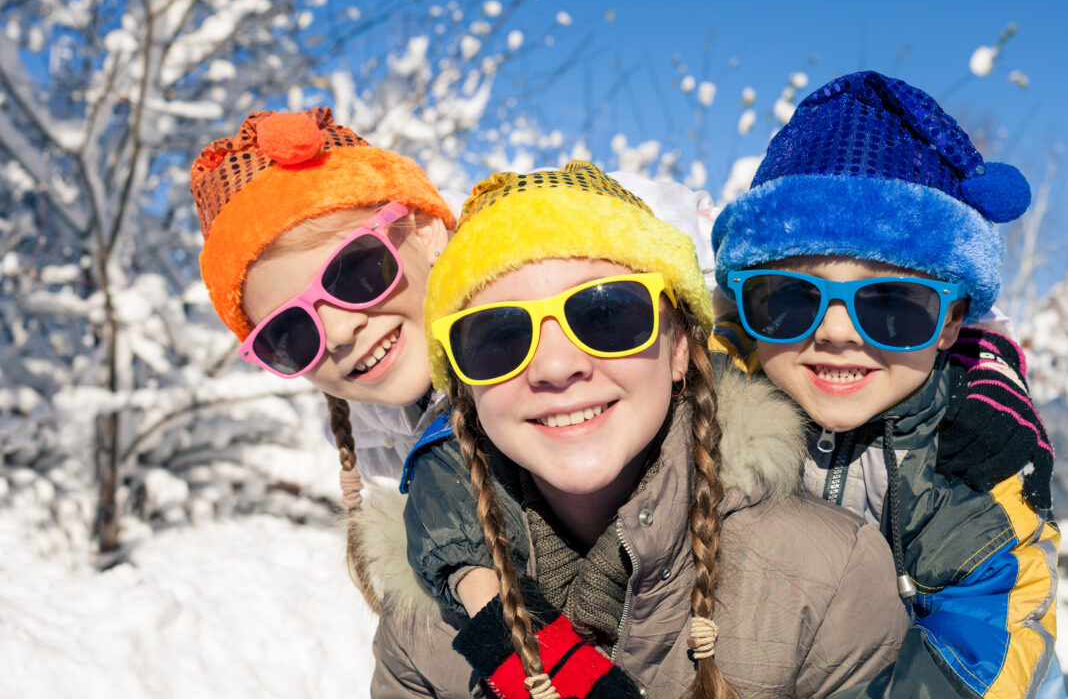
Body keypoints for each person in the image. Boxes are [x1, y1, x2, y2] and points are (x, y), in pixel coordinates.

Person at [374, 161, 909, 698]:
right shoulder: (421, 618)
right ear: (465, 385)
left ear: (679, 346)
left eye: (606, 316)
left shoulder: (831, 577)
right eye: (500, 335)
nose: (556, 368)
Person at [710, 70, 1059, 698]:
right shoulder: (703, 392)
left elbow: (990, 642)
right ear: (742, 306)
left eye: (893, 303)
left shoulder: (968, 460)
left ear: (951, 321)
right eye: (791, 298)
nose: (838, 334)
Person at [191, 106, 456, 613]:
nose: (337, 332)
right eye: (289, 332)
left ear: (423, 230)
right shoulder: (388, 444)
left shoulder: (560, 359)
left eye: (354, 271)